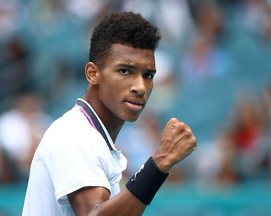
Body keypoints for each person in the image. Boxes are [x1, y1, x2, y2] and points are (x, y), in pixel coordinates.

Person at [22, 11, 197, 216]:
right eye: (125, 71)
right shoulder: (72, 134)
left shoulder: (94, 137)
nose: (140, 87)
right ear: (92, 74)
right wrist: (161, 160)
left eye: (148, 75)